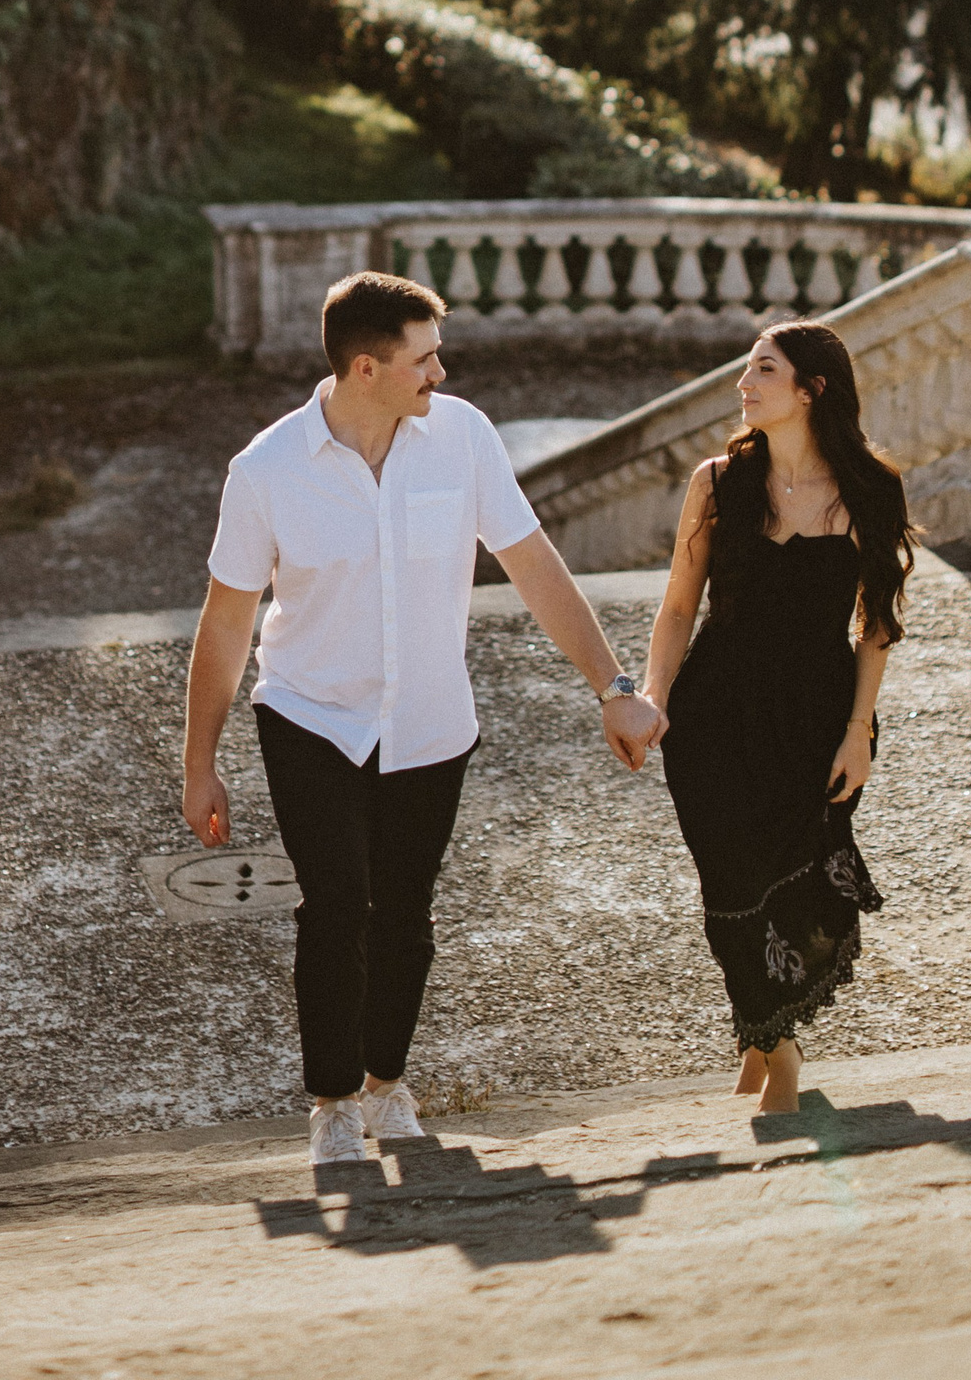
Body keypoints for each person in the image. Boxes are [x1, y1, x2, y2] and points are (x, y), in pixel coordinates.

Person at [182, 270, 665, 1167]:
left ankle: (385, 1085)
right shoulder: (266, 472)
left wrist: (613, 687)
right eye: (424, 359)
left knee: (404, 913)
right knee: (337, 906)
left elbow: (532, 562)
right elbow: (226, 625)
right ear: (366, 369)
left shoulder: (463, 438)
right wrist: (198, 763)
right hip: (310, 717)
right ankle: (332, 1104)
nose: (440, 374)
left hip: (431, 721)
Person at [642, 319, 913, 1116]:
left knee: (797, 885)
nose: (744, 383)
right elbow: (677, 608)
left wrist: (858, 732)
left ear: (811, 389)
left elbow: (877, 625)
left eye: (764, 369)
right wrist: (652, 699)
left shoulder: (870, 490)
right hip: (713, 718)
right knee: (729, 886)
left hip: (816, 721)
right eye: (747, 368)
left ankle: (760, 1040)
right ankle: (778, 1047)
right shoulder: (717, 483)